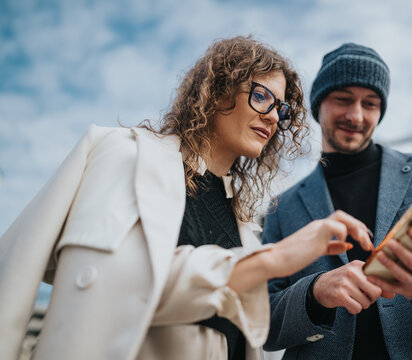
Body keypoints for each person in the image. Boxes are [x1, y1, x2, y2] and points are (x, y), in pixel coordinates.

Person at [0, 37, 374, 360]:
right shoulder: (125, 155)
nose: (274, 117)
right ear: (218, 90)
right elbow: (108, 287)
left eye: (281, 107)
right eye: (261, 96)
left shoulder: (243, 222)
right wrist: (272, 260)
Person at [262, 43, 412, 359]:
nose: (356, 115)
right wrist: (313, 294)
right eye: (343, 100)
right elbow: (262, 323)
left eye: (371, 103)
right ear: (318, 104)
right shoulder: (281, 207)